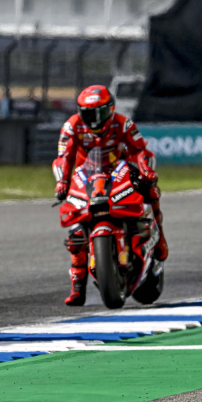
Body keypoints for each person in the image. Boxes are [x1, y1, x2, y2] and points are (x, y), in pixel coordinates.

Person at [53, 85, 166, 306]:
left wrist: (145, 170)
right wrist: (63, 182)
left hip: (120, 168)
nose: (93, 119)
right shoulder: (71, 126)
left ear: (111, 110)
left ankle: (159, 238)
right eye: (88, 113)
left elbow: (140, 149)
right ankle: (78, 287)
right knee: (75, 228)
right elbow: (64, 157)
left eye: (99, 113)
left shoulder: (122, 123)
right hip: (87, 175)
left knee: (150, 188)